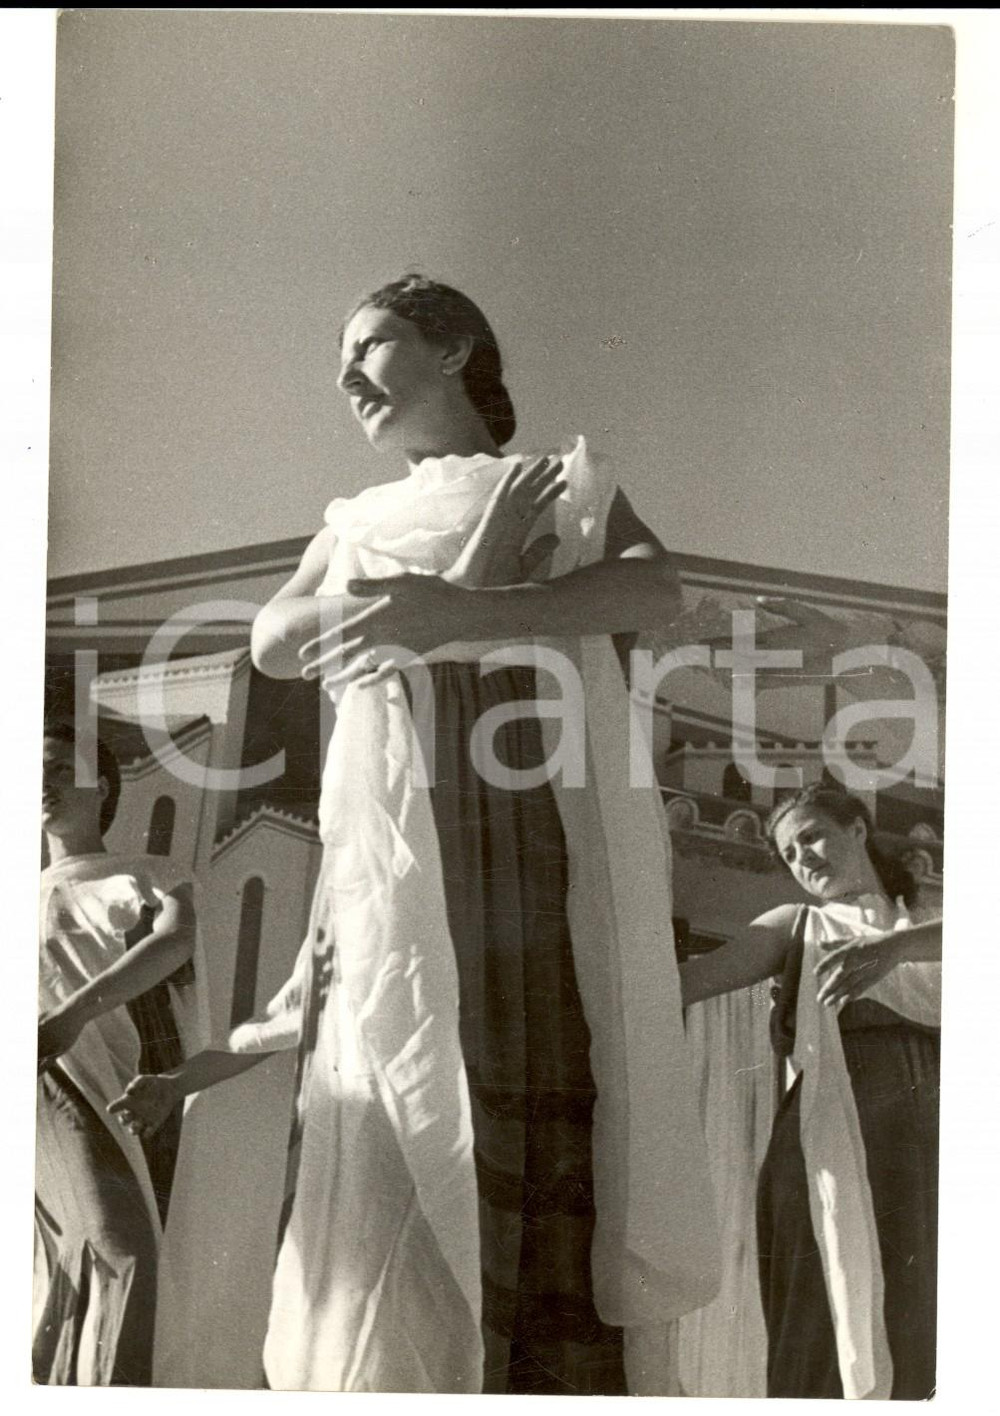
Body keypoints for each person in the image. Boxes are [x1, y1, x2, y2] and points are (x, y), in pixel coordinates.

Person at [111, 273, 721, 1395]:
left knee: (532, 1053)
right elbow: (274, 639)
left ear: (455, 350)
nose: (348, 374)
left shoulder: (558, 488)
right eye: (340, 355)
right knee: (396, 1058)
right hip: (397, 843)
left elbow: (652, 590)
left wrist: (468, 612)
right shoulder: (352, 522)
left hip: (529, 830)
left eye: (373, 343)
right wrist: (440, 587)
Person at [680, 783, 941, 1400]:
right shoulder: (800, 925)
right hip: (837, 1139)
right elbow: (684, 983)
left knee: (925, 1321)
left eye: (813, 836)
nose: (804, 859)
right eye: (791, 854)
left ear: (857, 828)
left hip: (932, 1156)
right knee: (826, 1319)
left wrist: (894, 947)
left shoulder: (930, 929)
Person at [34, 718, 207, 1385]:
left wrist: (72, 1017)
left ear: (101, 785)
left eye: (57, 767)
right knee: (48, 1267)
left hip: (84, 1079)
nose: (41, 784)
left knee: (122, 1252)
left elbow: (175, 943)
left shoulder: (152, 874)